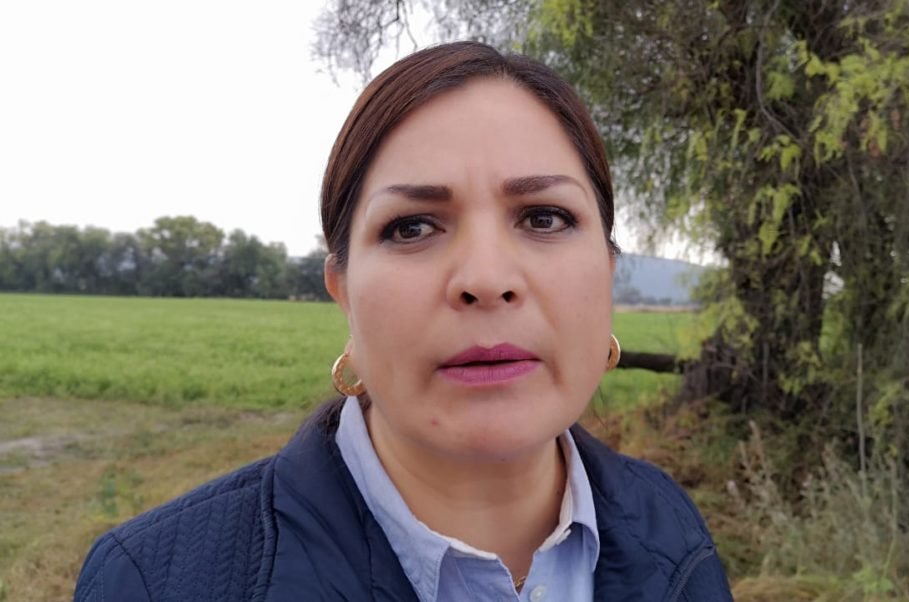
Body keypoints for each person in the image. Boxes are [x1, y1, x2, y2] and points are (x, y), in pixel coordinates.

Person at [73, 41, 734, 601]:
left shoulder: (670, 528)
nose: (486, 278)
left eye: (544, 217)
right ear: (343, 290)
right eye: (412, 227)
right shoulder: (152, 582)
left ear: (608, 271)